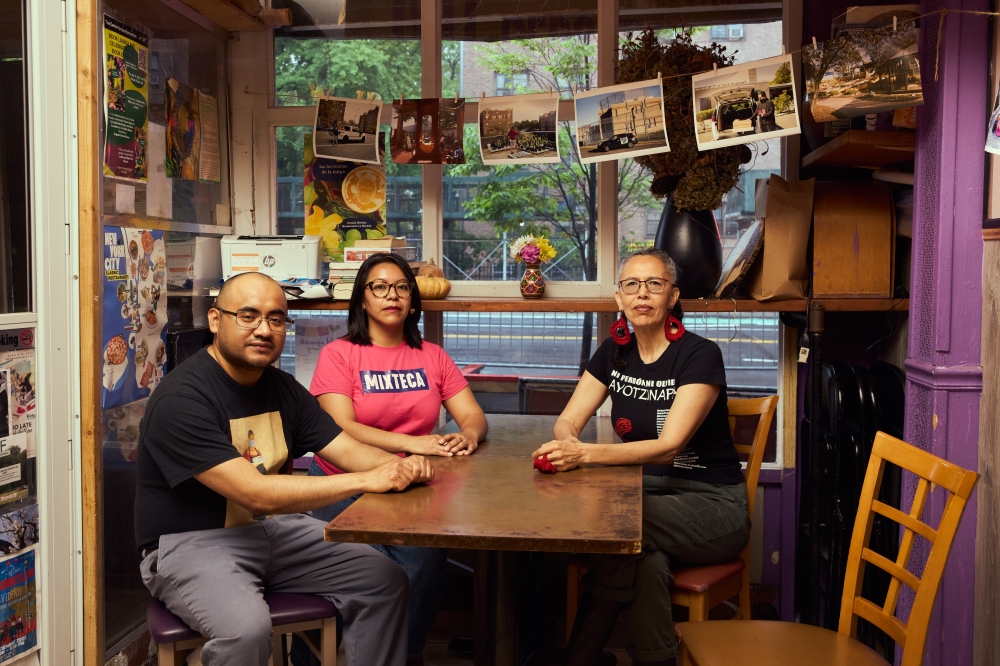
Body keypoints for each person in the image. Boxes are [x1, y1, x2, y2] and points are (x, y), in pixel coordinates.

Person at [135, 271, 435, 666]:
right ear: (214, 320)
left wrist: (402, 467)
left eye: (276, 319)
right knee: (246, 630)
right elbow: (254, 492)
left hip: (265, 531)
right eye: (248, 316)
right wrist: (367, 480)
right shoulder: (181, 398)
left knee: (385, 580)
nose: (264, 329)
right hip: (188, 544)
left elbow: (346, 448)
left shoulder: (282, 387)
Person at [533, 248, 750, 666]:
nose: (642, 293)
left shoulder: (699, 354)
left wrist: (586, 454)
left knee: (618, 526)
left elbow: (670, 446)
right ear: (619, 298)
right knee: (645, 562)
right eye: (631, 284)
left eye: (655, 284)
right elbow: (568, 420)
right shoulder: (614, 353)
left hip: (714, 505)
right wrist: (566, 444)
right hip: (647, 500)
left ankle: (577, 658)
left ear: (673, 296)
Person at [305, 253, 488, 664]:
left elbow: (474, 415)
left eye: (402, 287)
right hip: (342, 483)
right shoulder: (340, 354)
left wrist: (468, 436)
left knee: (424, 563)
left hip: (410, 488)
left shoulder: (432, 356)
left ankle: (403, 654)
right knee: (348, 573)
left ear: (413, 299)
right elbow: (340, 425)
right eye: (380, 287)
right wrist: (415, 444)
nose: (393, 295)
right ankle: (313, 658)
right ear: (362, 300)